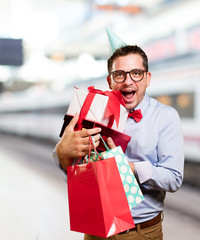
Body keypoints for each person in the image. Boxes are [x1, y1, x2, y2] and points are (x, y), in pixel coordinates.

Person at [54, 44, 184, 240]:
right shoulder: (92, 114)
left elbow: (173, 178)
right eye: (119, 75)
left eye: (136, 73)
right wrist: (61, 154)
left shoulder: (165, 117)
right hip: (95, 230)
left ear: (147, 78)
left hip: (141, 233)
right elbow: (76, 171)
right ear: (110, 81)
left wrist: (128, 167)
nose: (127, 81)